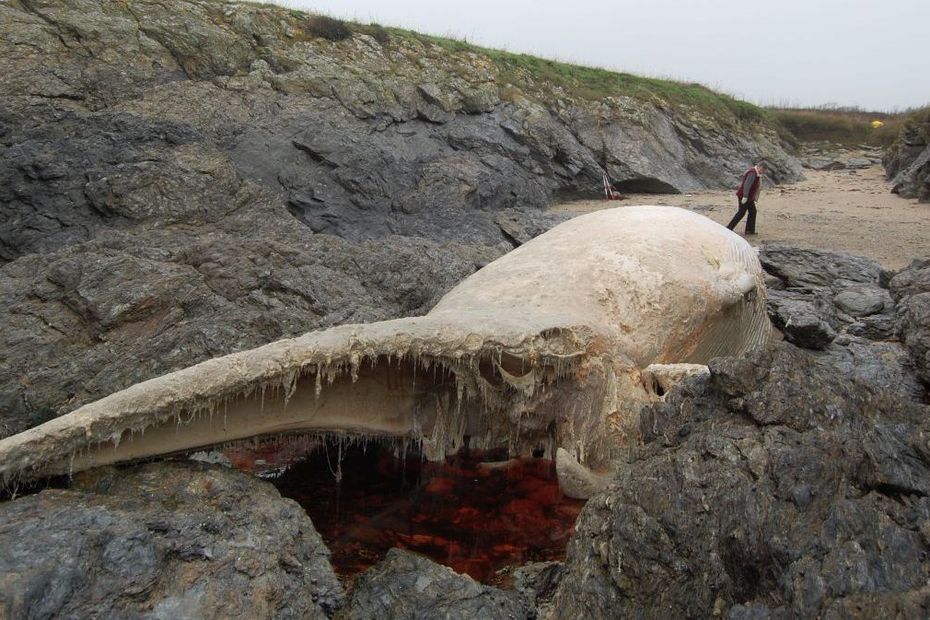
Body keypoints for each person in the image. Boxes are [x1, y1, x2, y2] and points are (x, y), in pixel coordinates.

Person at [726, 160, 769, 235]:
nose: (763, 172)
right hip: (744, 196)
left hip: (749, 197)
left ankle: (749, 231)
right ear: (760, 167)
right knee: (741, 213)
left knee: (752, 212)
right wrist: (745, 196)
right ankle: (729, 228)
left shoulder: (756, 173)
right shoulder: (752, 173)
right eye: (763, 170)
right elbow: (747, 185)